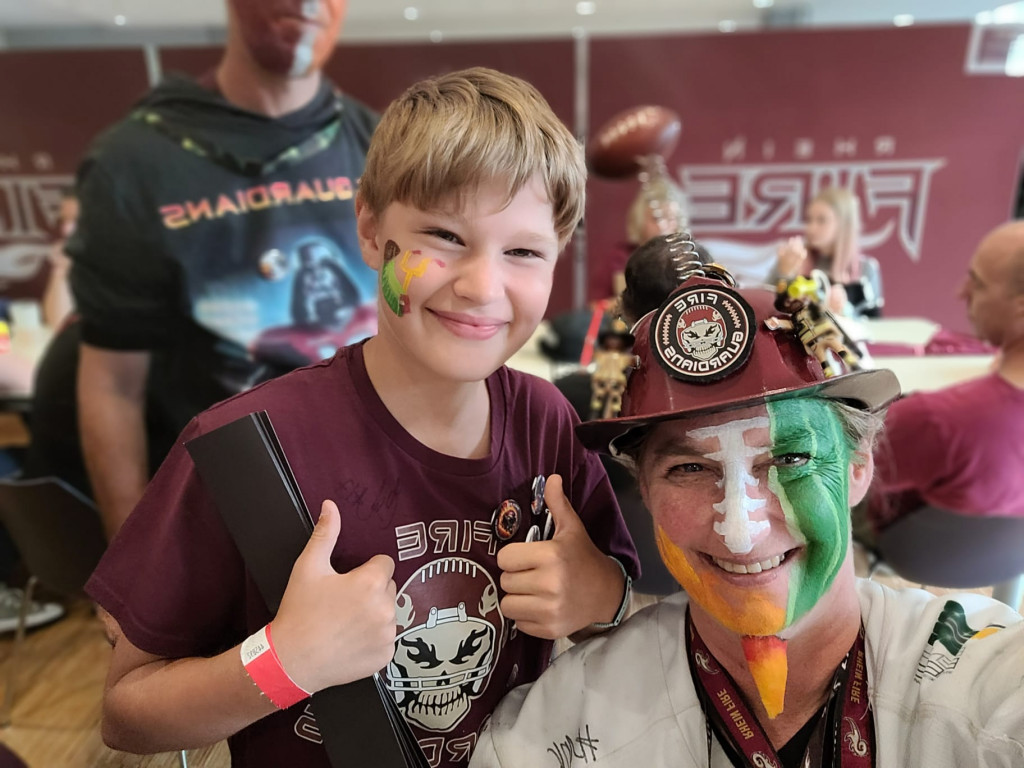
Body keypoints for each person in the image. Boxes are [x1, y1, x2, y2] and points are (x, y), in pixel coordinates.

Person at [86, 67, 639, 768]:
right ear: (371, 230)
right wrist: (286, 661)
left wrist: (599, 596)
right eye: (443, 235)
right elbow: (126, 713)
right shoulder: (247, 446)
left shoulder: (546, 422)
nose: (481, 286)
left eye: (523, 251)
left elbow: (615, 612)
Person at [471, 260, 1024, 767]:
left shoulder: (987, 682)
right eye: (689, 468)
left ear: (858, 467)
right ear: (643, 487)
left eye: (790, 458)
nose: (741, 532)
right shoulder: (560, 722)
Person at [68, 0, 378, 539]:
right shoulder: (137, 161)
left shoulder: (381, 146)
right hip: (221, 518)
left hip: (373, 498)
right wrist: (134, 558)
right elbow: (113, 383)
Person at [864, 221, 1024, 536]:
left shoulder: (937, 420)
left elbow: (834, 467)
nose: (961, 292)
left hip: (910, 545)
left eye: (978, 284)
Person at [771, 187, 884, 318]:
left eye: (821, 220)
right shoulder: (794, 259)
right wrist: (784, 275)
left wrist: (844, 310)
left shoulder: (865, 269)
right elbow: (765, 308)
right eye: (808, 220)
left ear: (844, 224)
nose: (811, 228)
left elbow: (874, 323)